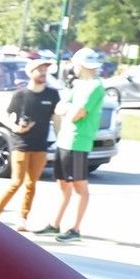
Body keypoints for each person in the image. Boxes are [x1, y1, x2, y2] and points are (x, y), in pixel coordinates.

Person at [40, 48, 105, 242]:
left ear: (82, 65)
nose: (73, 68)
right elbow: (59, 108)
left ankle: (75, 229)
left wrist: (68, 109)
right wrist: (69, 109)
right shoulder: (77, 84)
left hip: (79, 142)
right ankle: (55, 224)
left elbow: (78, 114)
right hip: (64, 140)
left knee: (79, 186)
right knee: (62, 184)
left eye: (76, 64)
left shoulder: (95, 86)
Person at [0, 57, 59, 232]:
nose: (43, 73)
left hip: (40, 146)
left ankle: (23, 218)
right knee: (17, 181)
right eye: (40, 70)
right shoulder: (21, 95)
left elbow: (56, 117)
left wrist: (60, 139)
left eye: (45, 70)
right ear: (31, 73)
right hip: (21, 144)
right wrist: (17, 128)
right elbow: (7, 115)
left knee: (32, 184)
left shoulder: (52, 95)